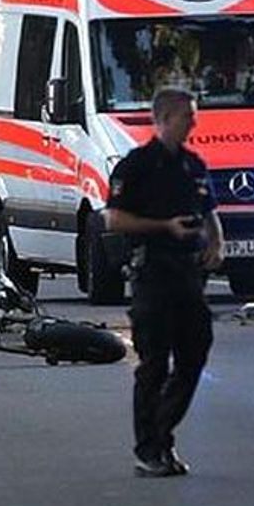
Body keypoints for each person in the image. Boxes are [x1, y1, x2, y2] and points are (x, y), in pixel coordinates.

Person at [104, 88, 225, 478]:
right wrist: (164, 227)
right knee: (154, 362)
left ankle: (161, 431)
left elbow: (208, 210)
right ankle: (150, 448)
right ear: (166, 118)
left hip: (188, 272)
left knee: (195, 352)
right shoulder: (137, 166)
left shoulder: (192, 164)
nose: (194, 122)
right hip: (153, 270)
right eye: (188, 116)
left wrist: (216, 241)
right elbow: (114, 220)